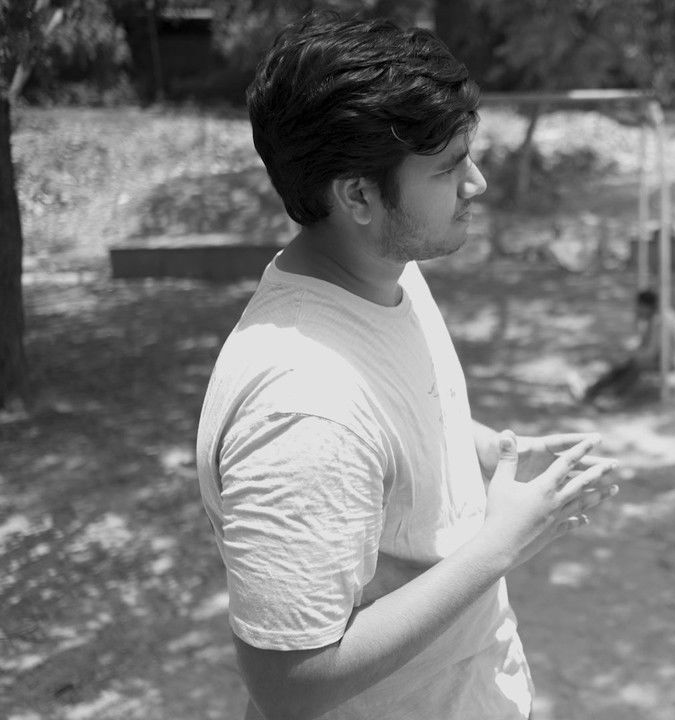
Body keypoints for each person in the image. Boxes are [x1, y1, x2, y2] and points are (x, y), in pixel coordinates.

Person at [194, 13, 619, 720]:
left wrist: (494, 452)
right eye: (448, 167)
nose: (477, 182)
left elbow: (403, 418)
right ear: (358, 196)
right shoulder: (303, 407)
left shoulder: (384, 272)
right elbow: (290, 683)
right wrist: (499, 547)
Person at [567, 289, 675, 407]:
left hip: (669, 362)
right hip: (663, 358)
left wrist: (628, 356)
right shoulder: (659, 317)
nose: (637, 310)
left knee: (633, 365)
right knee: (625, 363)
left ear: (646, 307)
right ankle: (594, 392)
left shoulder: (660, 321)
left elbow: (650, 353)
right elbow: (646, 347)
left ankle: (610, 396)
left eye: (639, 307)